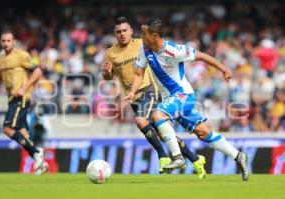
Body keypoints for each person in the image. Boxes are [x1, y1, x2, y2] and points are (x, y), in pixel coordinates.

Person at [125, 19, 249, 181]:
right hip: (172, 99)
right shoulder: (144, 49)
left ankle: (177, 157)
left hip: (184, 95)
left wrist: (224, 69)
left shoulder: (174, 50)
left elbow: (202, 56)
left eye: (144, 34)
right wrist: (132, 92)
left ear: (154, 36)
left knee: (158, 116)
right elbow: (139, 74)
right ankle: (238, 156)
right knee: (203, 133)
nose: (140, 37)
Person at [103, 17, 206, 177]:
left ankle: (163, 157)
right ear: (115, 34)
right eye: (118, 32)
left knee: (140, 121)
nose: (122, 34)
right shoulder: (110, 53)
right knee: (162, 133)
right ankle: (195, 158)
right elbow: (108, 78)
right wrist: (107, 72)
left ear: (131, 31)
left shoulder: (142, 44)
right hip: (134, 98)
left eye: (125, 30)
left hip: (150, 90)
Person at [0, 31, 49, 175]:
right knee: (23, 132)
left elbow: (38, 72)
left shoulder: (21, 55)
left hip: (22, 97)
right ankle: (42, 163)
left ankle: (36, 153)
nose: (6, 44)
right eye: (3, 41)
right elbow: (0, 76)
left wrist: (24, 88)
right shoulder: (1, 59)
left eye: (9, 41)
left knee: (7, 129)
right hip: (11, 99)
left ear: (14, 42)